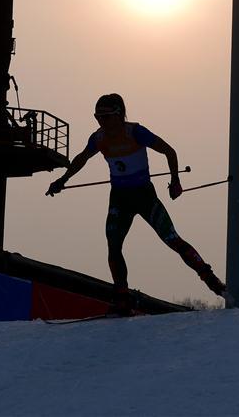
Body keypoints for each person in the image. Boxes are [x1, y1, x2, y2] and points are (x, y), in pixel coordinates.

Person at [46, 93, 226, 314]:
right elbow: (81, 159)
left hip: (144, 197)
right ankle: (122, 299)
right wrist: (62, 180)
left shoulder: (136, 132)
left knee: (172, 240)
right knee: (113, 246)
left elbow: (169, 151)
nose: (101, 122)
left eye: (106, 116)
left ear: (119, 115)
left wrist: (175, 181)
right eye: (97, 117)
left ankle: (212, 280)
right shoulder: (99, 138)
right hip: (120, 198)